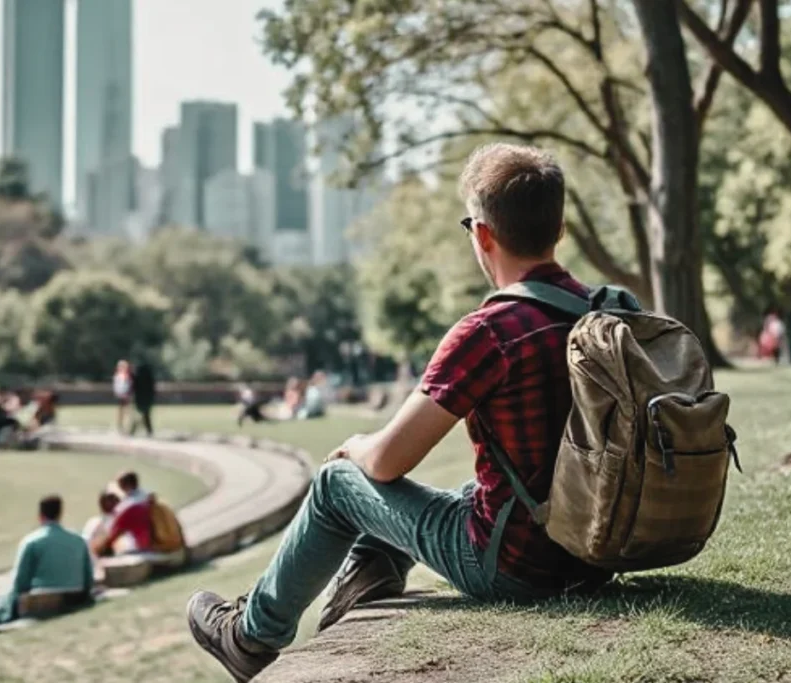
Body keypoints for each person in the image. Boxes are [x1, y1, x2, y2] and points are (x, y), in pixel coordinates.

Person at [186, 144, 613, 682]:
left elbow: (387, 463)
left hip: (519, 568)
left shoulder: (489, 332)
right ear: (560, 229)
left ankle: (251, 635)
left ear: (482, 234)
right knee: (463, 492)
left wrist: (356, 445)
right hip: (597, 553)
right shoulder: (611, 308)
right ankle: (365, 581)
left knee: (340, 483)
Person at [0, 495, 94, 627]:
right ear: (60, 514)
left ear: (40, 515)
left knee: (2, 601)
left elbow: (20, 582)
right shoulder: (79, 540)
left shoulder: (32, 541)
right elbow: (88, 577)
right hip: (75, 596)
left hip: (40, 600)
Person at [92, 472, 152, 557]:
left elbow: (112, 536)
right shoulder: (148, 497)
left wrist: (96, 550)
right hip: (152, 546)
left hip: (137, 550)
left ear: (123, 486)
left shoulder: (126, 507)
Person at [131, 361, 156, 436]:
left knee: (138, 415)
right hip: (148, 398)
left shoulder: (137, 376)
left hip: (140, 399)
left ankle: (133, 430)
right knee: (146, 415)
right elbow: (152, 389)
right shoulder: (149, 377)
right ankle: (149, 430)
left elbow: (134, 387)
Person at [113, 360, 133, 433]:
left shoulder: (128, 376)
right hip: (120, 396)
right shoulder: (117, 376)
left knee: (128, 412)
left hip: (127, 396)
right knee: (120, 413)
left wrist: (127, 394)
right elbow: (116, 387)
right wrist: (119, 394)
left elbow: (130, 386)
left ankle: (128, 427)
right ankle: (120, 426)